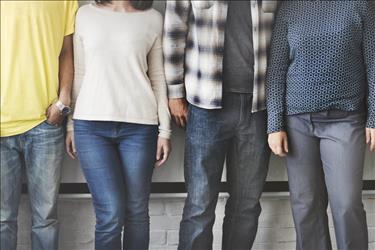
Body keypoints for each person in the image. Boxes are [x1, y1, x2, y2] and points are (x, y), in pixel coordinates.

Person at [163, 1, 278, 249]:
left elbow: (283, 34)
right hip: (206, 107)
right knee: (199, 205)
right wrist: (174, 93)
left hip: (258, 108)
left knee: (246, 204)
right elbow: (174, 31)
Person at [266, 1, 374, 250]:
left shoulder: (361, 5)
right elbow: (276, 70)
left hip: (345, 119)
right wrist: (274, 124)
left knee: (346, 204)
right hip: (297, 122)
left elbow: (374, 64)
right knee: (306, 205)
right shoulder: (290, 8)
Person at [65, 0, 171, 249]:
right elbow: (78, 73)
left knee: (136, 210)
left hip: (140, 126)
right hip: (91, 127)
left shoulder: (152, 18)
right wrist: (70, 125)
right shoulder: (84, 15)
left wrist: (165, 130)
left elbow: (157, 77)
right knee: (110, 213)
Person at [0, 1, 78, 249]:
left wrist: (64, 100)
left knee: (45, 218)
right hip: (1, 125)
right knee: (2, 219)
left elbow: (67, 51)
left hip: (46, 122)